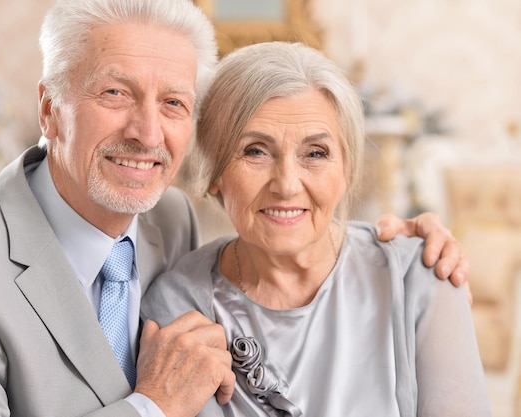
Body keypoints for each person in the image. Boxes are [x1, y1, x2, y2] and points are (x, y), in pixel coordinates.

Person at [0, 0, 468, 416]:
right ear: (49, 108)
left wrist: (405, 246)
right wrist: (152, 408)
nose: (147, 133)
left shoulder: (166, 219)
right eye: (114, 93)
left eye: (173, 102)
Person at [142, 41, 490, 417]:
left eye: (315, 153)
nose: (287, 184)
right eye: (256, 150)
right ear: (214, 173)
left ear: (347, 170)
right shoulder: (178, 305)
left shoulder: (420, 276)